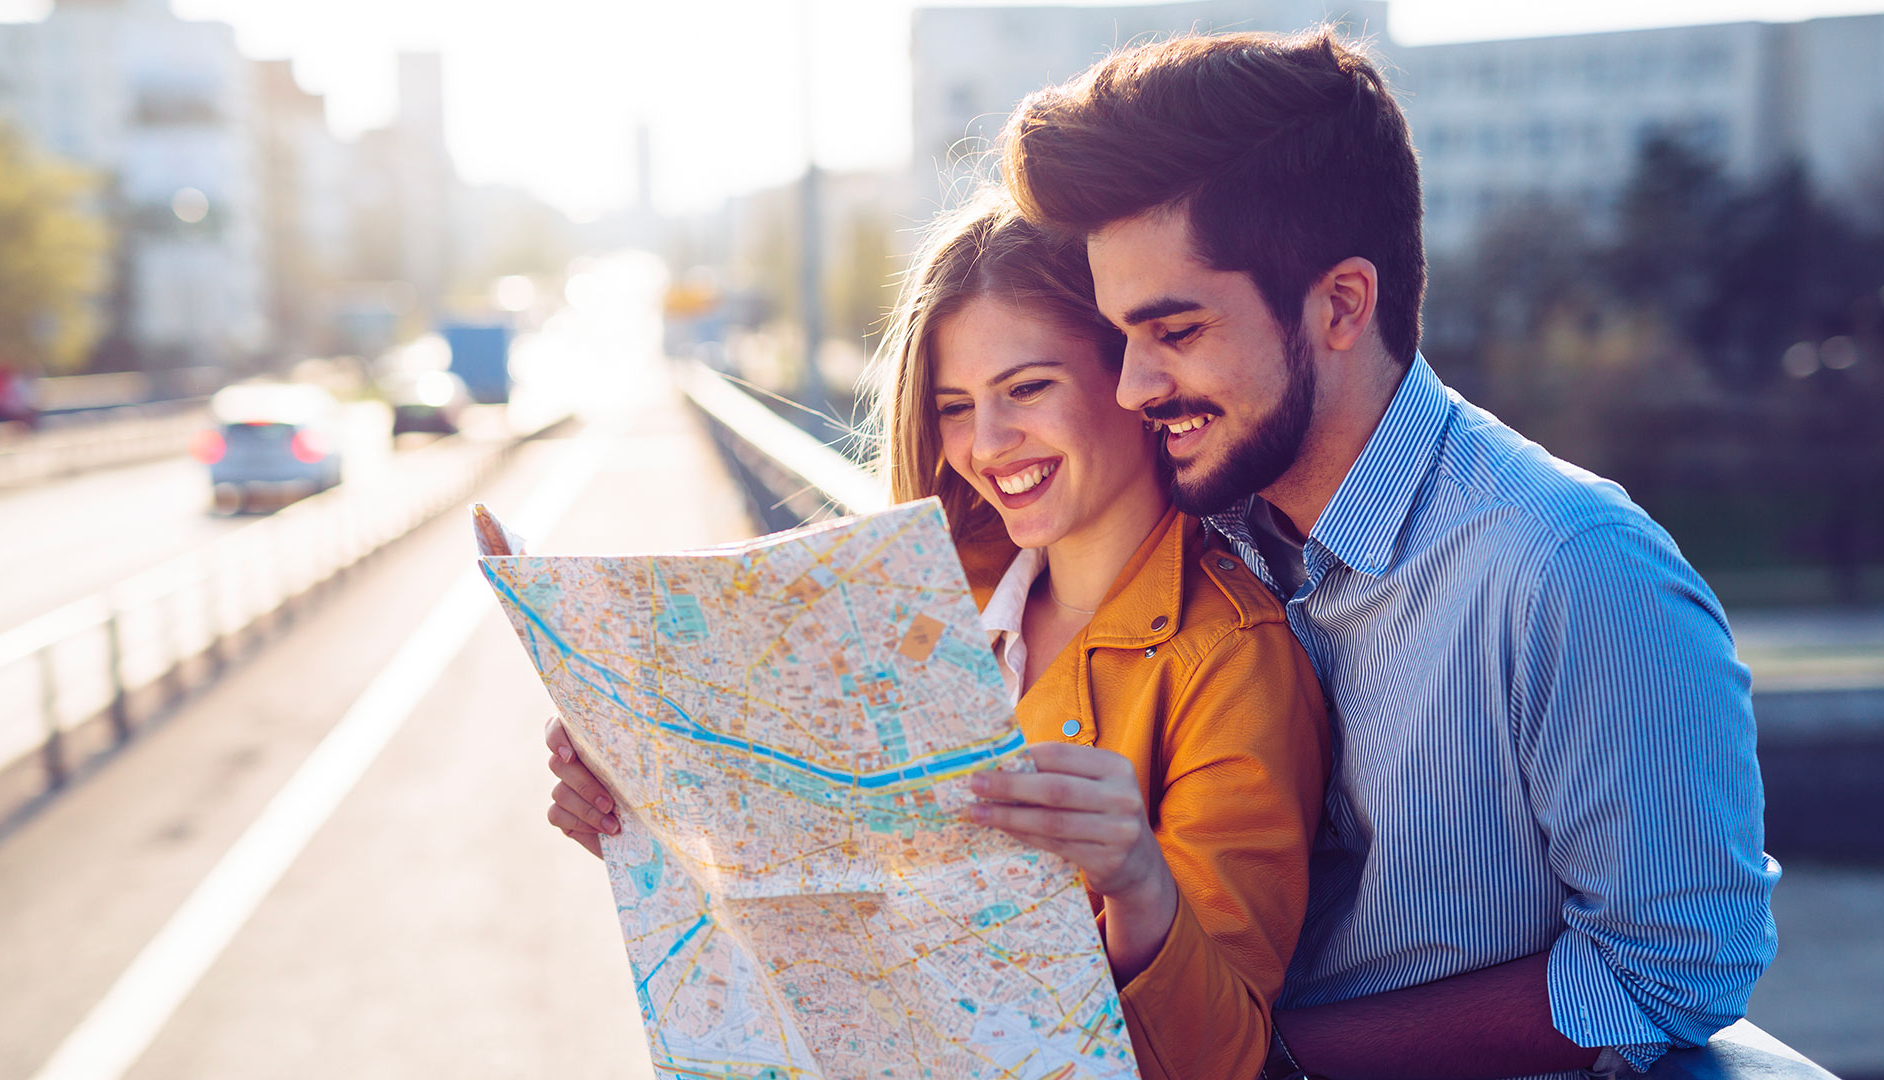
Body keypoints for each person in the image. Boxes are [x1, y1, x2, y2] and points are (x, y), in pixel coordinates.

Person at [995, 27, 1780, 1080]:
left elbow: (1670, 972)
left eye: (1175, 332)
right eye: (1120, 338)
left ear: (1342, 304)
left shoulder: (1576, 575)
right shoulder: (1184, 526)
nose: (1134, 388)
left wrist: (1262, 1055)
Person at [545, 193, 1331, 1078]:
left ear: (1131, 379)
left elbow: (1227, 1057)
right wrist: (645, 809)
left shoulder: (1233, 661)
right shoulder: (906, 602)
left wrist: (1141, 885)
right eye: (954, 406)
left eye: (1028, 388)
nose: (988, 443)